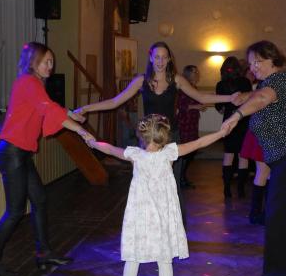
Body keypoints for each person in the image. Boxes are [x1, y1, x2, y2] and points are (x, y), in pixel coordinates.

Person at [86, 114, 228, 276]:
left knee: (133, 256)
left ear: (141, 136)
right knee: (165, 259)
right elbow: (198, 143)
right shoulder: (170, 152)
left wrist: (92, 142)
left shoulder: (135, 154)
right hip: (163, 216)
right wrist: (220, 133)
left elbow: (108, 148)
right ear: (164, 136)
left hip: (140, 215)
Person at [73, 41, 241, 208]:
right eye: (157, 57)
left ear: (169, 59)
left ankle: (174, 221)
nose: (160, 61)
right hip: (149, 140)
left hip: (171, 137)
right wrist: (86, 108)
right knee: (149, 185)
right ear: (151, 58)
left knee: (173, 185)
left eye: (164, 57)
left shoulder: (176, 79)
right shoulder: (141, 81)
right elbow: (115, 102)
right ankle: (151, 220)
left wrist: (230, 98)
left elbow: (202, 98)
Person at [0, 42, 92, 276]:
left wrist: (71, 114)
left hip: (20, 153)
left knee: (40, 200)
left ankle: (43, 253)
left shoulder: (34, 84)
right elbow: (49, 110)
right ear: (32, 62)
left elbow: (48, 107)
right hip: (12, 153)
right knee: (15, 211)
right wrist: (81, 132)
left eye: (52, 61)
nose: (50, 66)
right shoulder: (28, 82)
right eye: (46, 61)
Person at [222, 41, 286, 276]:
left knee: (280, 212)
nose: (253, 67)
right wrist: (243, 96)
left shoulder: (280, 80)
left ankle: (282, 269)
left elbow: (263, 98)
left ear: (273, 60)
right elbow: (260, 94)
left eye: (259, 61)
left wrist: (236, 115)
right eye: (251, 63)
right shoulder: (275, 81)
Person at [215, 56, 252, 198]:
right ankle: (241, 189)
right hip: (243, 121)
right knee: (243, 157)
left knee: (228, 156)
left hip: (229, 122)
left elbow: (219, 108)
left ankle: (227, 189)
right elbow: (250, 101)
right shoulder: (245, 82)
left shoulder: (220, 84)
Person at [239, 61, 270, 225]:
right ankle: (258, 213)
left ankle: (261, 212)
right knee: (263, 173)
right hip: (262, 134)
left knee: (266, 173)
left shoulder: (264, 87)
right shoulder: (264, 88)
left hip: (265, 134)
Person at [176, 65, 205, 188]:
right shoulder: (183, 88)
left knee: (192, 151)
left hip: (192, 123)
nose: (197, 74)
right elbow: (180, 106)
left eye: (197, 72)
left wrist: (199, 106)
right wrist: (196, 107)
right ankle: (180, 178)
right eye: (194, 72)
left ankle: (182, 177)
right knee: (186, 152)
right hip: (185, 123)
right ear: (188, 74)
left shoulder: (194, 87)